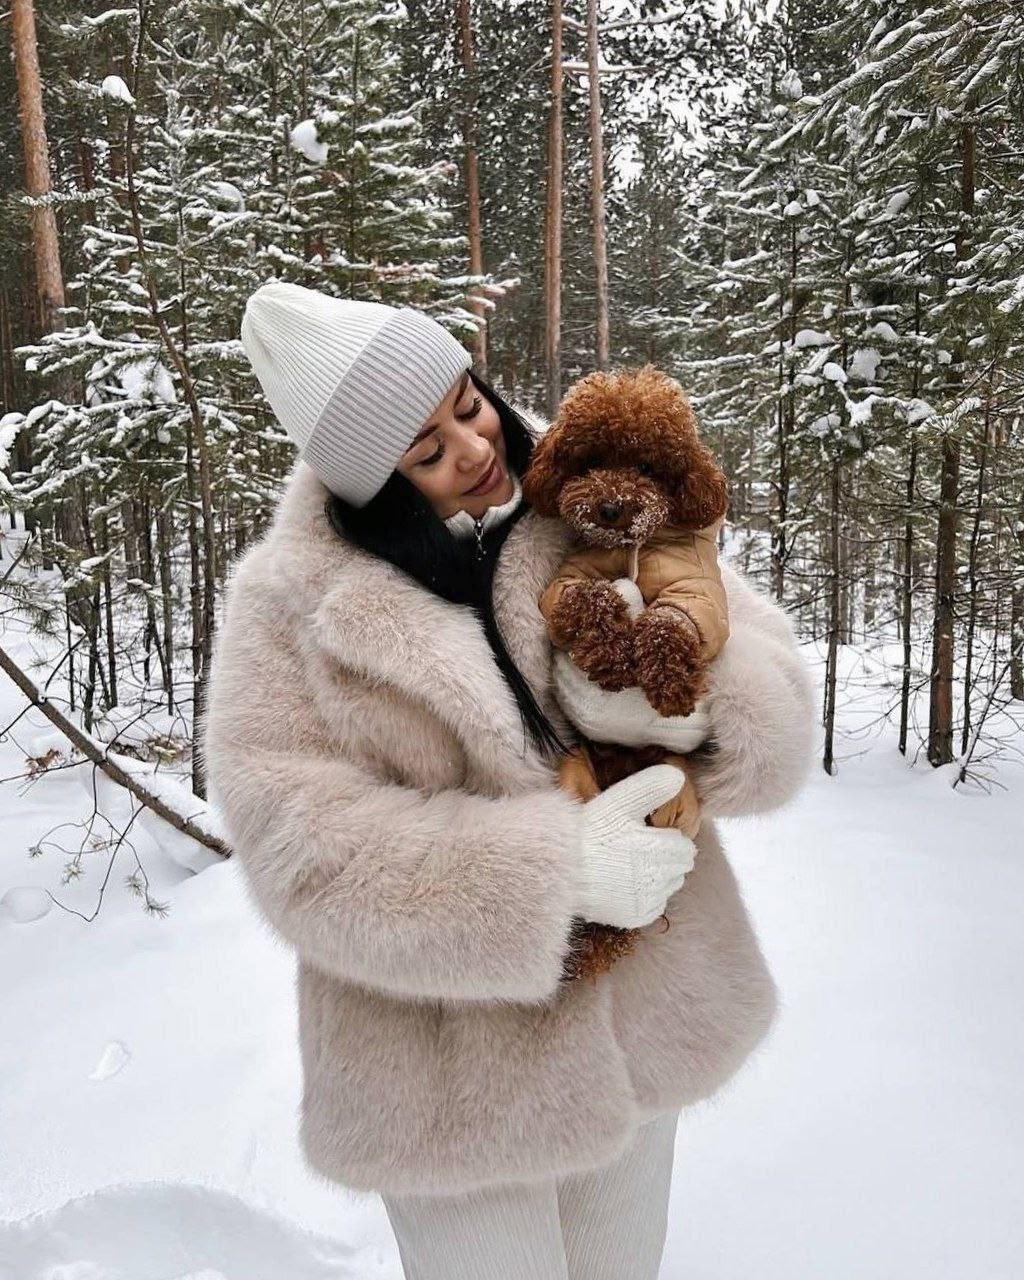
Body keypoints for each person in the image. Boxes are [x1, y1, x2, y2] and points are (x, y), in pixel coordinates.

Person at [202, 281, 815, 1280]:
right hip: (447, 1077)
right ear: (372, 485)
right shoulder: (283, 610)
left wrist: (695, 701)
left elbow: (766, 672)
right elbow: (298, 843)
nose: (475, 447)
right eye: (427, 452)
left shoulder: (592, 489)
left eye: (465, 403)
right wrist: (555, 872)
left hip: (644, 1013)